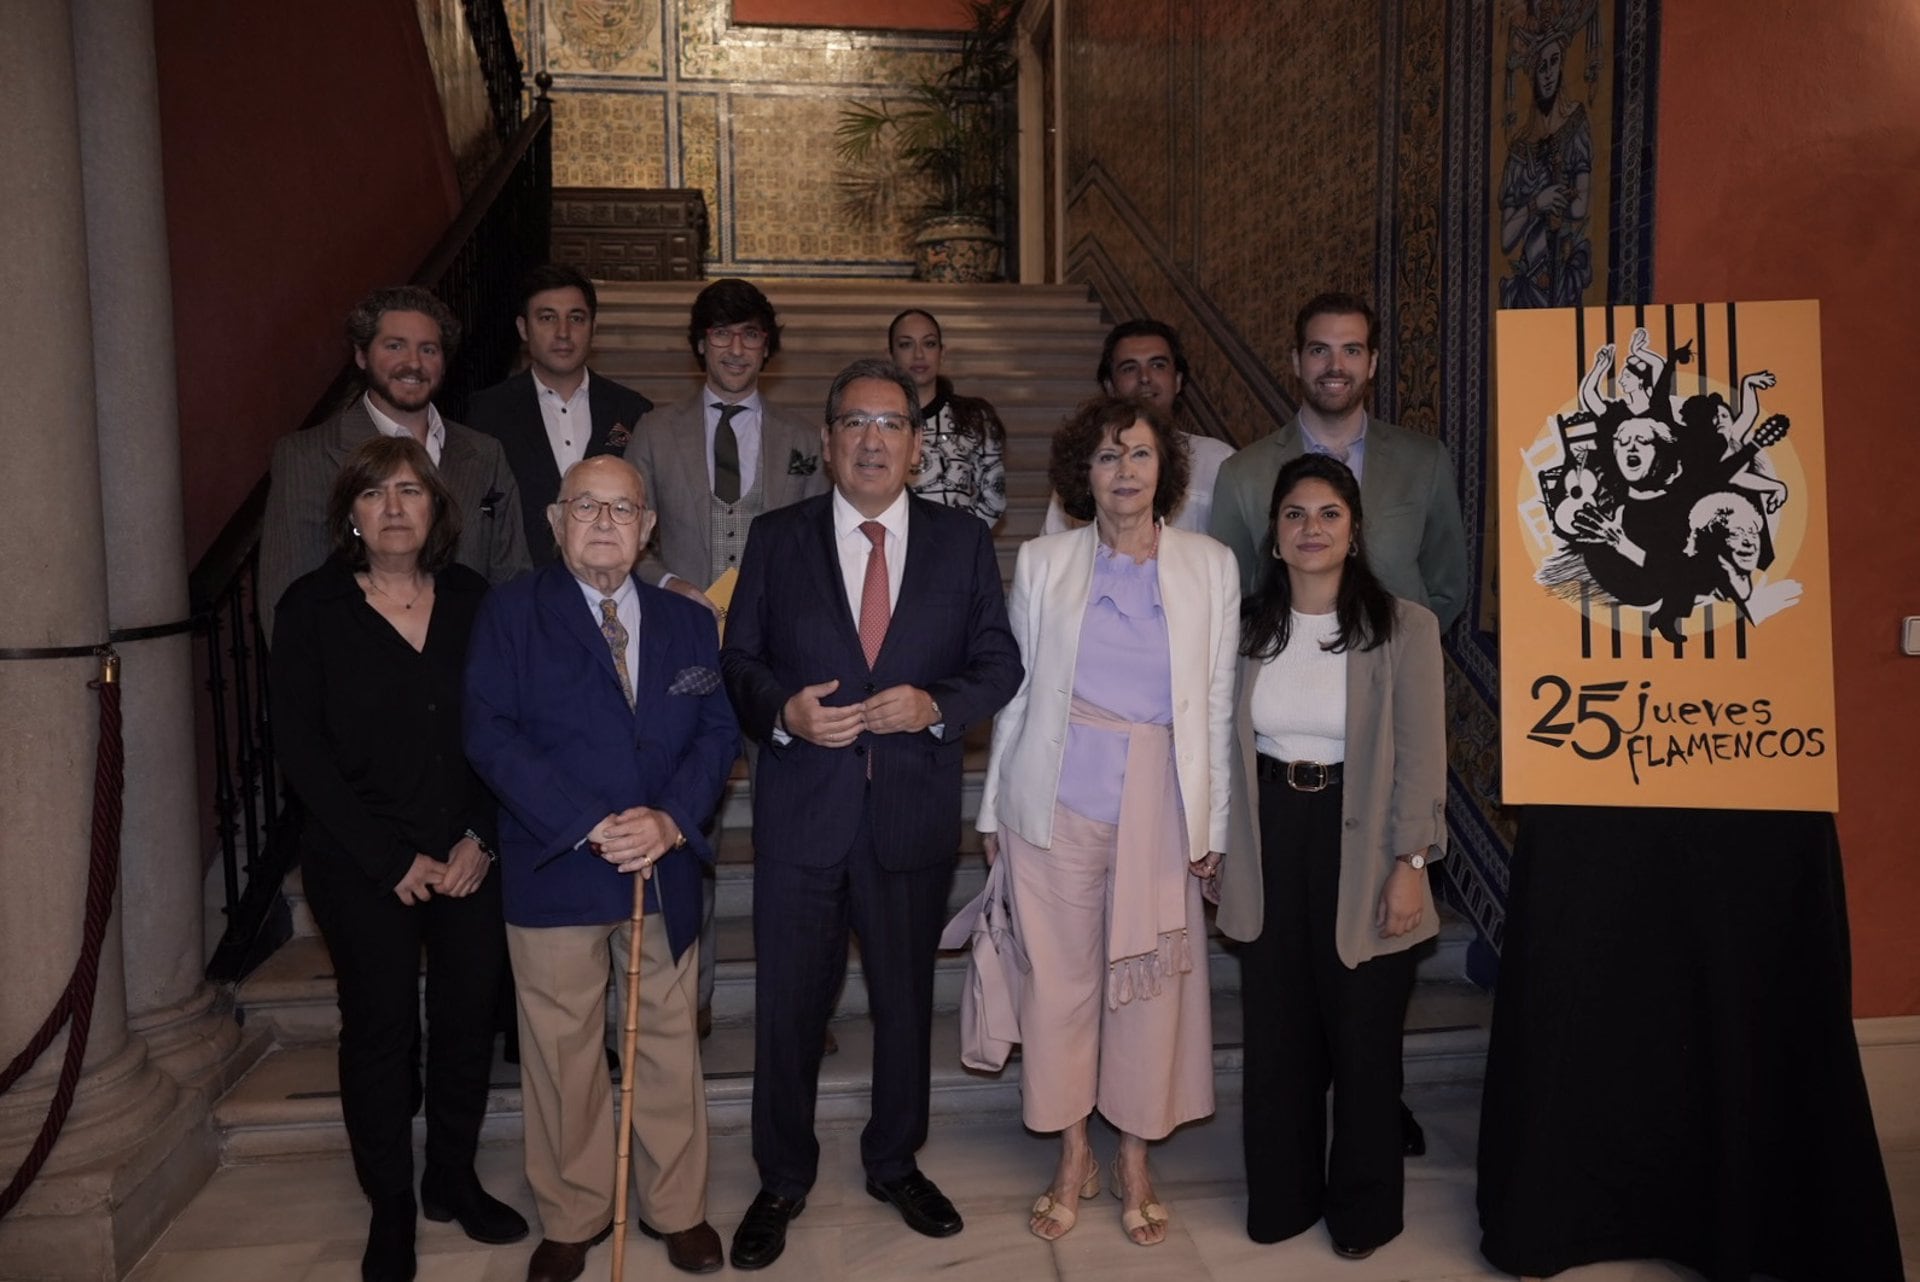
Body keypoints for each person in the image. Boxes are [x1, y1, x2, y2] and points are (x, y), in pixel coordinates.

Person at [719, 359, 1022, 1271]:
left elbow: (999, 664)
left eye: (890, 425)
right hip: (802, 817)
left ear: (917, 445)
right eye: (855, 423)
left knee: (901, 1004)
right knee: (787, 1009)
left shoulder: (962, 543)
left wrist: (933, 705)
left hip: (909, 818)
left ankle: (895, 1161)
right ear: (827, 440)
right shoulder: (776, 538)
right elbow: (740, 661)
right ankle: (781, 1176)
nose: (872, 440)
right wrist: (785, 714)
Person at [463, 456, 739, 1281]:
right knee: (562, 1050)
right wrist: (587, 824)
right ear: (555, 519)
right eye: (588, 506)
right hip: (557, 864)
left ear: (650, 527)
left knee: (665, 1043)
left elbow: (717, 732)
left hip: (662, 863)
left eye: (624, 509)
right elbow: (488, 733)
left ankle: (677, 1207)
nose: (607, 523)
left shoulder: (688, 623)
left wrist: (669, 819)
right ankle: (574, 1212)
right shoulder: (510, 614)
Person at [976, 395, 1238, 1246]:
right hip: (1054, 803)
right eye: (1106, 458)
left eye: (1138, 454)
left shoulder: (1211, 564)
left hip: (1162, 806)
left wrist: (1216, 829)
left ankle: (1134, 1160)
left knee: (1149, 988)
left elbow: (1219, 706)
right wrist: (991, 808)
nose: (1124, 471)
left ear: (1166, 467)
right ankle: (1070, 1152)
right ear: (1080, 477)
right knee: (1060, 987)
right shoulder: (1046, 560)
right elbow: (1016, 695)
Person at [269, 436, 526, 1282]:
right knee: (380, 1032)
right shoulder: (311, 608)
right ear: (350, 512)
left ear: (436, 510)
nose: (393, 508)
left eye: (410, 491)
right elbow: (300, 750)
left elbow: (505, 732)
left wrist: (478, 838)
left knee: (465, 1025)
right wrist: (390, 858)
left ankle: (451, 1177)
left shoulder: (473, 599)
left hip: (466, 855)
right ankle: (391, 1207)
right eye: (376, 493)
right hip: (358, 860)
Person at [1215, 453, 1448, 1262]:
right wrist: (1211, 842)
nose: (1310, 530)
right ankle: (1281, 1201)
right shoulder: (1241, 628)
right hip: (1269, 836)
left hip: (1368, 839)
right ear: (1273, 537)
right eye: (1294, 516)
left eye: (1328, 515)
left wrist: (1411, 862)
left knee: (1363, 1042)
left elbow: (1422, 756)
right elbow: (1217, 748)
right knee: (1277, 1040)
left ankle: (1364, 1214)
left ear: (1355, 533)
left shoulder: (1405, 627)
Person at [627, 277, 829, 1038]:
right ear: (699, 345)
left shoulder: (806, 438)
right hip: (680, 653)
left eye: (750, 335)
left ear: (768, 347)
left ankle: (798, 998)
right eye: (721, 335)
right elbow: (623, 534)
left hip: (778, 659)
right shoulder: (654, 432)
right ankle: (692, 996)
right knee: (685, 822)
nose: (736, 348)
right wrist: (673, 583)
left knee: (795, 831)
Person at [260, 285, 530, 640]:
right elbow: (286, 606)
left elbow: (514, 582)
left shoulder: (484, 454)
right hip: (359, 683)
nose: (413, 363)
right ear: (361, 355)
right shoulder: (306, 456)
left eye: (428, 349)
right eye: (394, 346)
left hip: (472, 677)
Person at [1210, 292, 1468, 630]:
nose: (1336, 366)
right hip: (1287, 670)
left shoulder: (1424, 461)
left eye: (1351, 350)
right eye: (1319, 350)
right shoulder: (1242, 475)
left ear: (1372, 363)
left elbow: (1447, 588)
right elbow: (1231, 598)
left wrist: (1405, 652)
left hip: (1393, 671)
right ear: (1297, 361)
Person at [467, 263, 655, 565]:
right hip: (518, 594)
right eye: (547, 318)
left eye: (576, 318)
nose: (563, 332)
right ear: (523, 328)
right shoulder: (486, 412)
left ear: (593, 327)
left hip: (614, 589)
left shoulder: (634, 410)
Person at [1041, 319, 1235, 535]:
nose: (1144, 378)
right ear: (1110, 386)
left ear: (1178, 380)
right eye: (1129, 368)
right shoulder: (1086, 463)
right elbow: (1057, 548)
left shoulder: (1219, 460)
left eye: (1158, 365)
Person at [887, 307, 1007, 525]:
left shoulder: (975, 419)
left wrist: (957, 542)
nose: (919, 354)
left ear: (942, 353)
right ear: (891, 355)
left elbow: (994, 500)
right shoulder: (877, 421)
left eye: (929, 343)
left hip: (956, 550)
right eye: (906, 344)